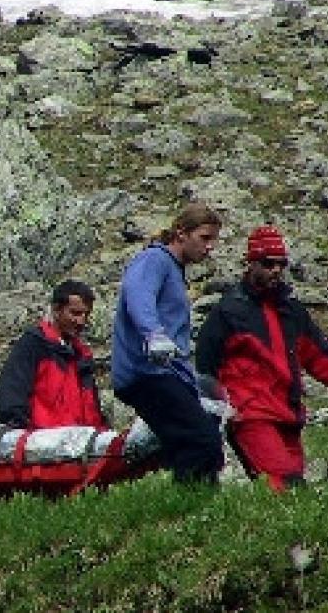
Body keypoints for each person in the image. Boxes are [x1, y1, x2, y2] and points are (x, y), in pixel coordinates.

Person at [195, 225, 328, 492]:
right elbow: (205, 371)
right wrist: (211, 421)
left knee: (294, 492)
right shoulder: (227, 314)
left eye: (281, 264)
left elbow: (322, 357)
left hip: (287, 417)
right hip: (251, 417)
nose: (276, 270)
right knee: (284, 488)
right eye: (268, 263)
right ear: (251, 263)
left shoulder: (291, 312)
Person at [111, 202, 225, 484]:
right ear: (181, 233)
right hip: (148, 373)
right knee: (200, 441)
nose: (210, 247)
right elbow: (138, 294)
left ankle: (193, 501)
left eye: (213, 240)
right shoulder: (155, 260)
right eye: (204, 238)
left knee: (194, 443)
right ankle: (190, 502)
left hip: (166, 374)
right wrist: (153, 334)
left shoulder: (173, 269)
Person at [0, 279, 107, 430]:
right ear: (56, 310)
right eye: (75, 313)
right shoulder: (34, 344)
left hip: (78, 441)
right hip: (43, 440)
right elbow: (11, 398)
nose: (81, 321)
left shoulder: (82, 357)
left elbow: (93, 410)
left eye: (86, 314)